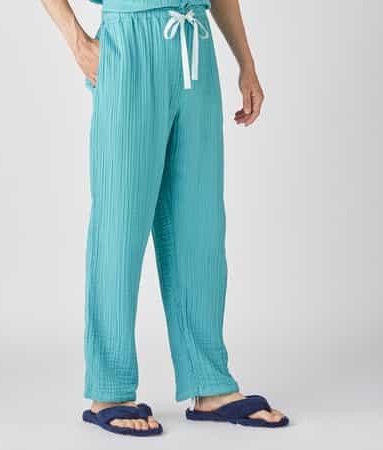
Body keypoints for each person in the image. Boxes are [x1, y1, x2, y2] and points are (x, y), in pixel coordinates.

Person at [41, 0, 288, 437]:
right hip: (129, 45)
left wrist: (246, 64)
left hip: (195, 45)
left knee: (201, 227)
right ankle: (109, 390)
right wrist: (77, 41)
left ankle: (209, 383)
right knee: (119, 226)